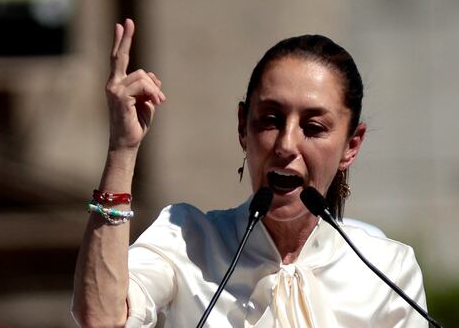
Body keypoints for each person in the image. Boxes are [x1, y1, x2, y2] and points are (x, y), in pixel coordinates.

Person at [72, 18, 428, 327]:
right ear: (243, 126)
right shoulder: (187, 240)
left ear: (352, 145)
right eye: (270, 120)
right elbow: (102, 319)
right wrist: (122, 149)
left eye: (314, 127)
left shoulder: (388, 269)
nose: (286, 144)